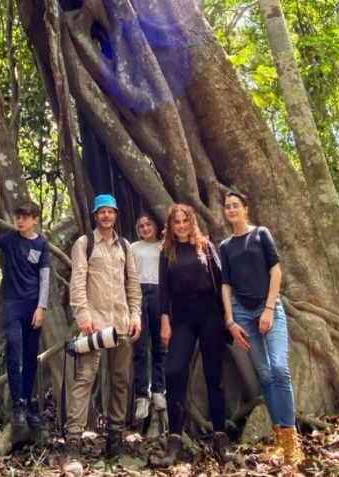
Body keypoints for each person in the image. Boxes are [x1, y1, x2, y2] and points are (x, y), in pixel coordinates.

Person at [220, 191, 304, 466]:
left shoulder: (261, 234)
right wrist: (230, 321)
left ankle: (292, 439)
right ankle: (281, 438)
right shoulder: (226, 246)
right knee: (265, 375)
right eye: (227, 207)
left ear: (246, 208)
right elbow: (226, 284)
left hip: (269, 309)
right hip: (242, 315)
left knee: (280, 368)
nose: (231, 210)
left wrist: (269, 309)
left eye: (236, 206)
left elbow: (276, 271)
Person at [64, 194, 142, 472]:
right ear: (96, 215)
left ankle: (115, 438)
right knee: (85, 379)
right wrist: (83, 316)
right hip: (94, 325)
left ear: (116, 215)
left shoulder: (125, 246)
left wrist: (136, 315)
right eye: (102, 212)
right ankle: (73, 440)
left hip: (121, 323)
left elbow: (132, 283)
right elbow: (77, 283)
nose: (106, 216)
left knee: (120, 381)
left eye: (110, 212)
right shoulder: (84, 244)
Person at [158, 204, 229, 464]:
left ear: (192, 221)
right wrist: (165, 321)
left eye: (185, 220)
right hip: (183, 318)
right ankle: (174, 437)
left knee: (214, 375)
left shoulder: (206, 247)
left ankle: (220, 437)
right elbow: (163, 290)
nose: (181, 225)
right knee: (174, 371)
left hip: (210, 314)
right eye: (176, 222)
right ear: (171, 225)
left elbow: (222, 281)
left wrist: (227, 317)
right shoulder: (167, 251)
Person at [0, 200, 51, 429]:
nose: (20, 221)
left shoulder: (41, 244)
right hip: (11, 303)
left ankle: (27, 403)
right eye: (18, 217)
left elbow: (45, 277)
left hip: (32, 305)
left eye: (25, 217)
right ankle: (17, 404)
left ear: (35, 220)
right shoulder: (9, 239)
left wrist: (41, 307)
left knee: (30, 357)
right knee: (14, 348)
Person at [131, 212, 167, 421]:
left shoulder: (164, 246)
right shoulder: (133, 248)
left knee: (160, 345)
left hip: (160, 294)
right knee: (140, 346)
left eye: (148, 224)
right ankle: (141, 395)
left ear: (156, 226)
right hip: (139, 293)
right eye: (141, 226)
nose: (145, 229)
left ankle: (158, 390)